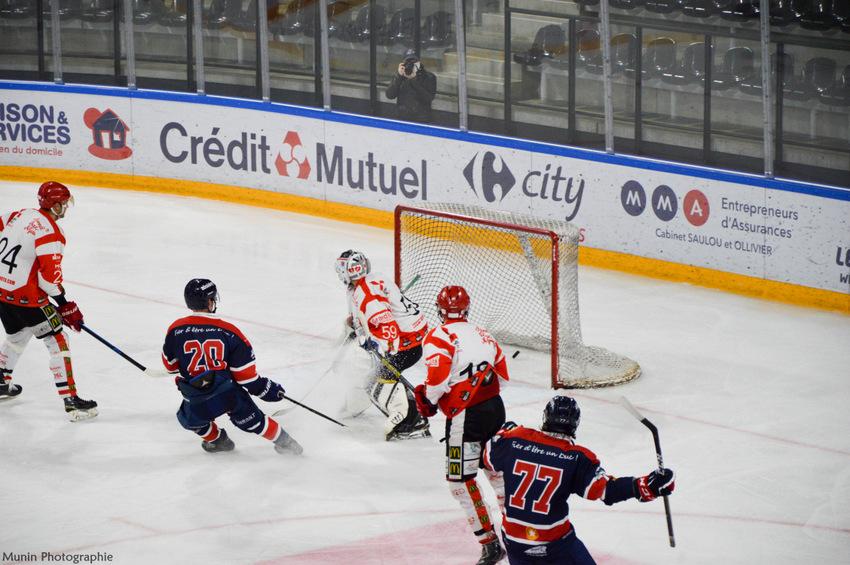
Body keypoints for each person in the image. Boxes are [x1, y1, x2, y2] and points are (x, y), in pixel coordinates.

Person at [482, 396, 676, 564]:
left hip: (515, 544)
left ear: (546, 417)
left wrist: (504, 433)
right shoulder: (576, 458)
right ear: (575, 423)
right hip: (554, 546)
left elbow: (487, 458)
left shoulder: (514, 440)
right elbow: (608, 491)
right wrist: (646, 486)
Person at [413, 285, 510, 565]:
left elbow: (438, 382)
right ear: (467, 309)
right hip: (496, 409)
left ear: (439, 310)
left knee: (459, 480)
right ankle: (516, 535)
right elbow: (503, 378)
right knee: (497, 473)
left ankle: (490, 543)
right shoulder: (484, 334)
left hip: (465, 419)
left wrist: (428, 400)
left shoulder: (438, 336)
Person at [161, 278, 303, 455]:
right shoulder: (229, 331)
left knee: (192, 420)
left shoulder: (175, 329)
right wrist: (268, 389)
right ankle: (287, 443)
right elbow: (246, 377)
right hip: (227, 394)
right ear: (210, 302)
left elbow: (170, 366)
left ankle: (218, 441)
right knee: (255, 422)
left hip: (196, 395)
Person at [0, 181, 97, 421]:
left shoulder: (17, 214)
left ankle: (1, 382)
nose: (66, 207)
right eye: (63, 204)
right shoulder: (52, 233)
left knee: (17, 335)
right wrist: (64, 305)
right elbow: (48, 280)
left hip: (2, 292)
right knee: (57, 341)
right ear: (55, 206)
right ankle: (72, 402)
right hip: (28, 299)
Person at [335, 249, 431, 441]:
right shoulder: (370, 281)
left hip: (406, 343)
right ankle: (357, 403)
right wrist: (357, 325)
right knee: (374, 371)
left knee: (377, 379)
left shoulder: (365, 294)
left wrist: (377, 346)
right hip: (412, 333)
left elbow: (389, 328)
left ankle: (413, 421)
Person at [385, 48, 437, 124]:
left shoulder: (429, 77)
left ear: (419, 63)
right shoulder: (400, 76)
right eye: (408, 62)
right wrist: (399, 76)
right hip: (402, 118)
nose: (411, 65)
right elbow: (390, 95)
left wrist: (414, 81)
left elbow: (429, 98)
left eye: (413, 62)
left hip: (422, 119)